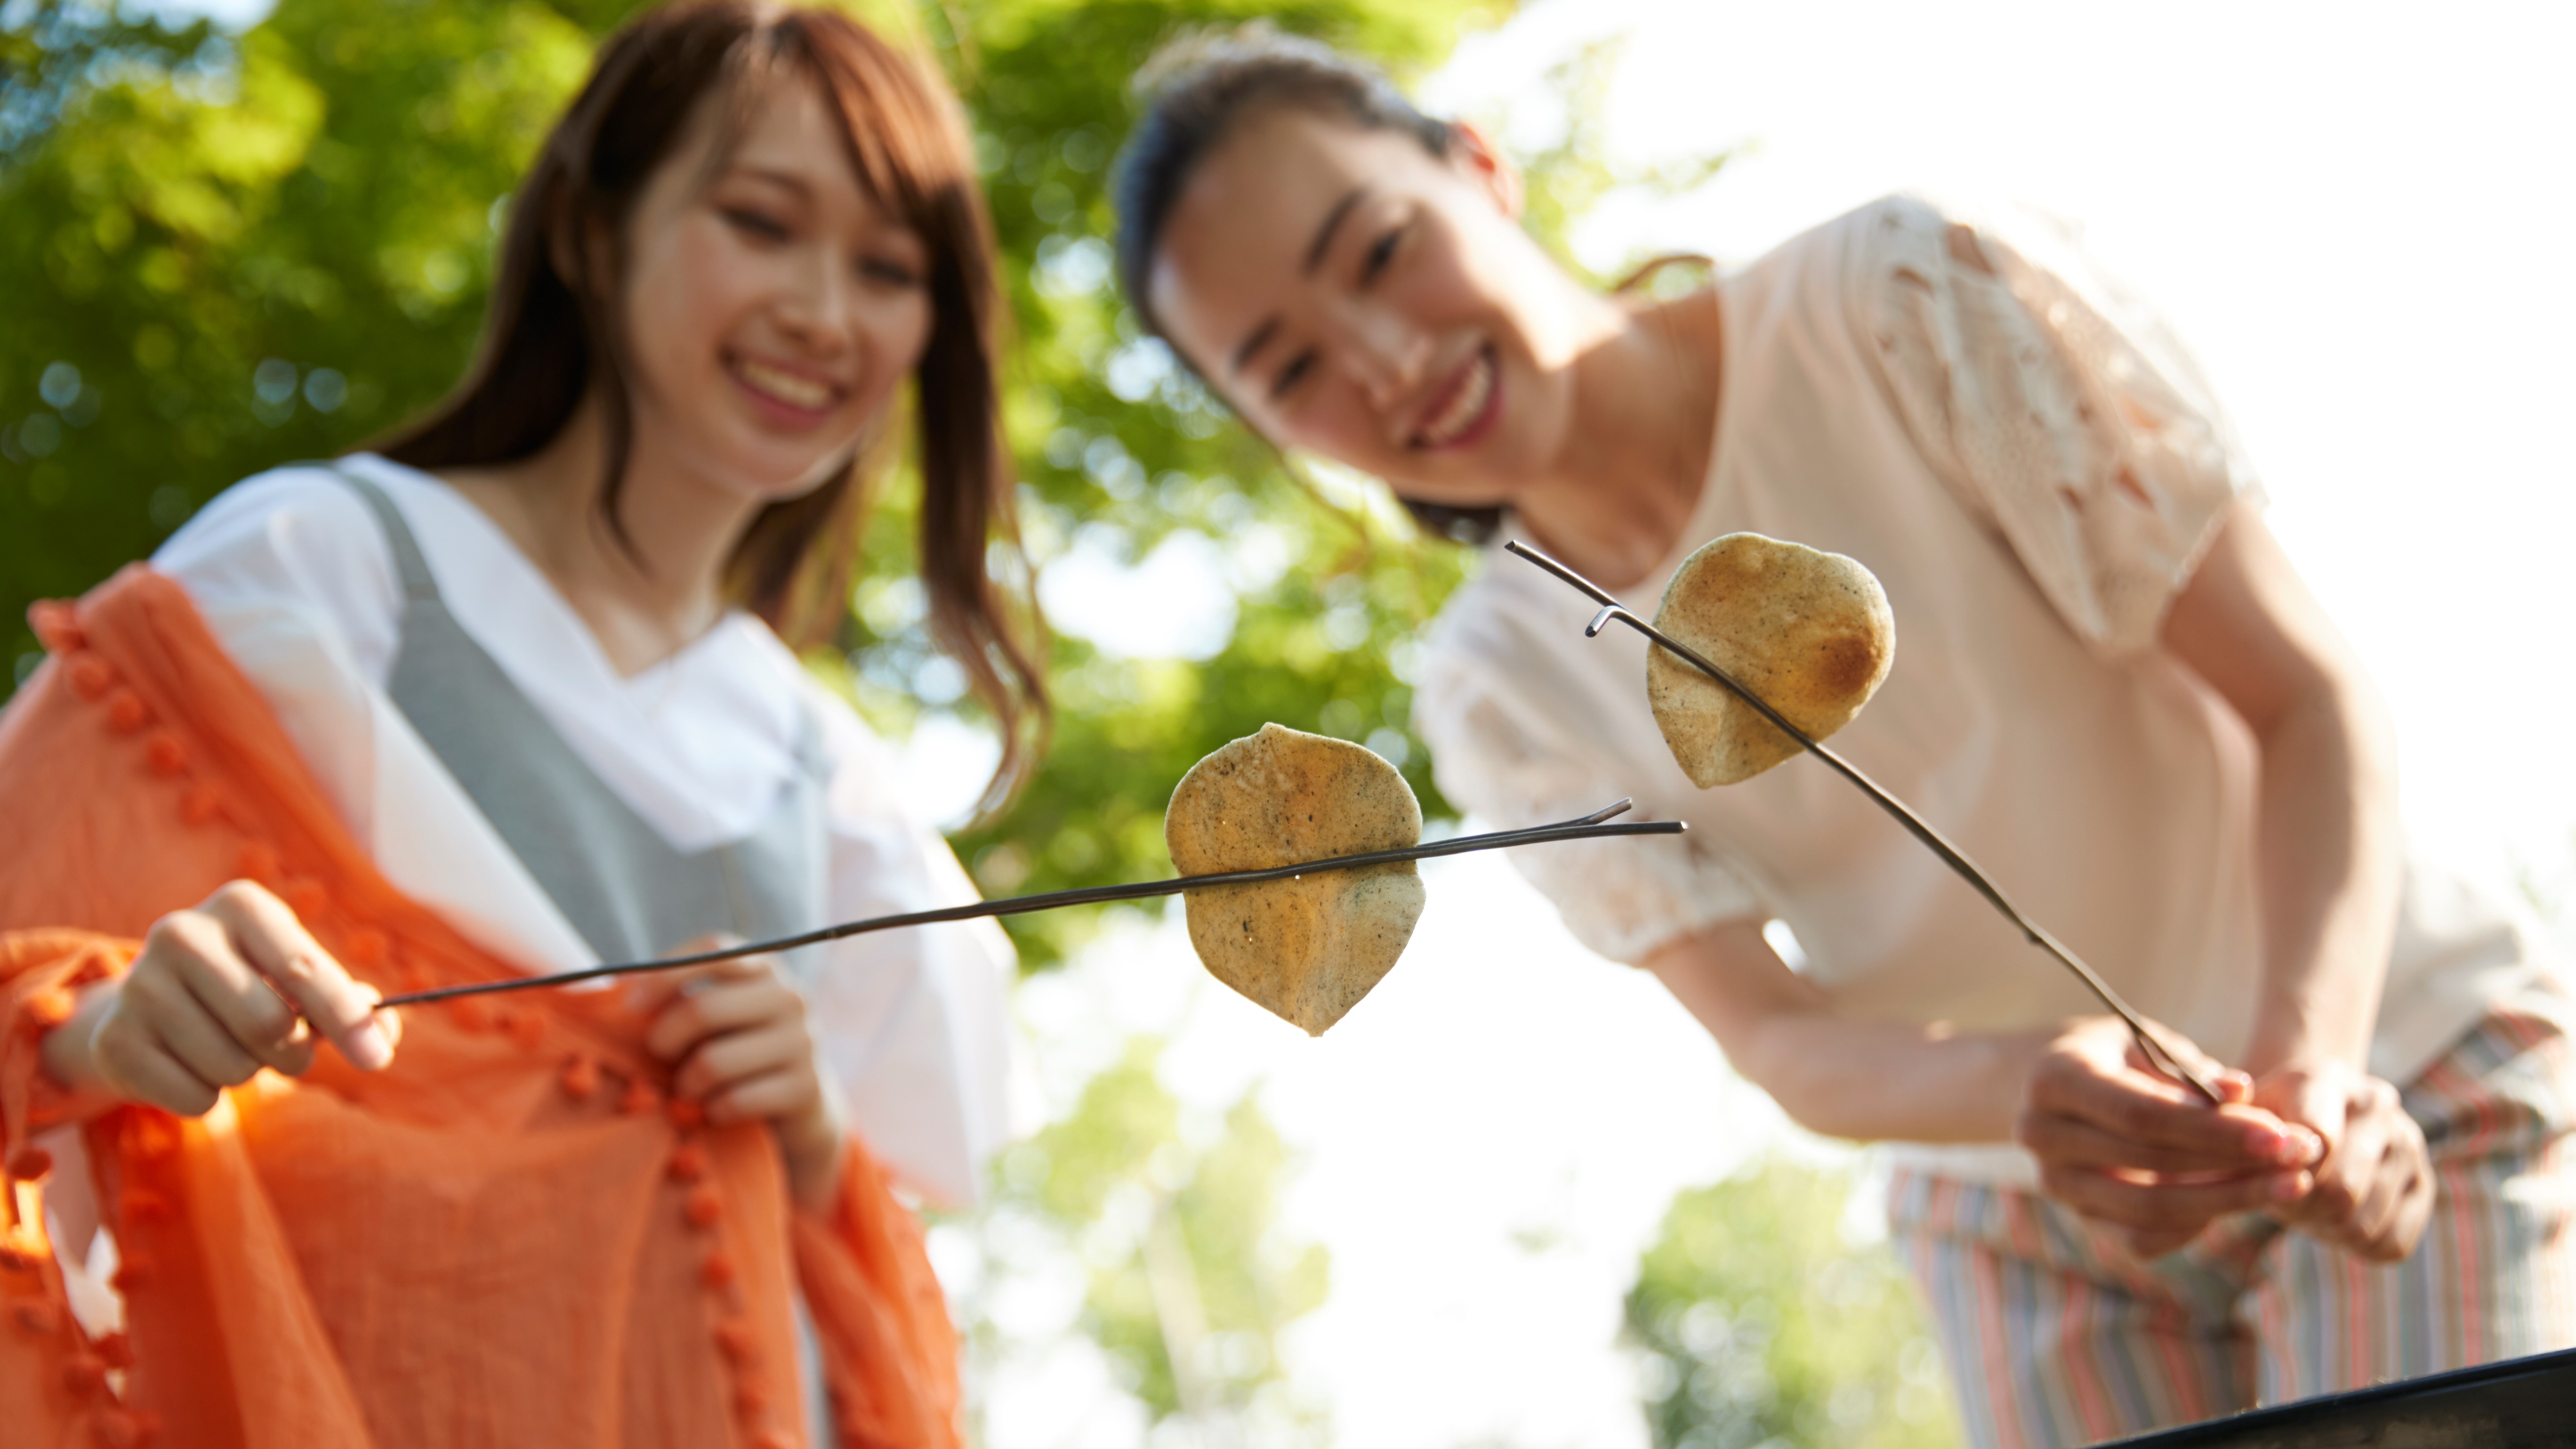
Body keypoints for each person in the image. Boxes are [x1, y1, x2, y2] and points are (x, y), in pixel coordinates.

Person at [1109, 27, 2576, 1448]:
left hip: (2382, 1059)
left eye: (1377, 249)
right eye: (1289, 371)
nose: (1379, 356)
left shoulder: (1906, 295)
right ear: (1266, 429)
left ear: (1479, 169)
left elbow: (2304, 695)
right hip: (2021, 1211)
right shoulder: (1496, 688)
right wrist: (2022, 1094)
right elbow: (1784, 1042)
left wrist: (2306, 1083)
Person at [0, 4, 1042, 1444]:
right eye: (761, 221)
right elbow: (42, 980)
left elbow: (887, 1262)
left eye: (889, 268)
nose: (825, 310)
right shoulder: (319, 568)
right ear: (590, 229)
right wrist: (115, 1021)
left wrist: (805, 1128)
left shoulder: (835, 781)